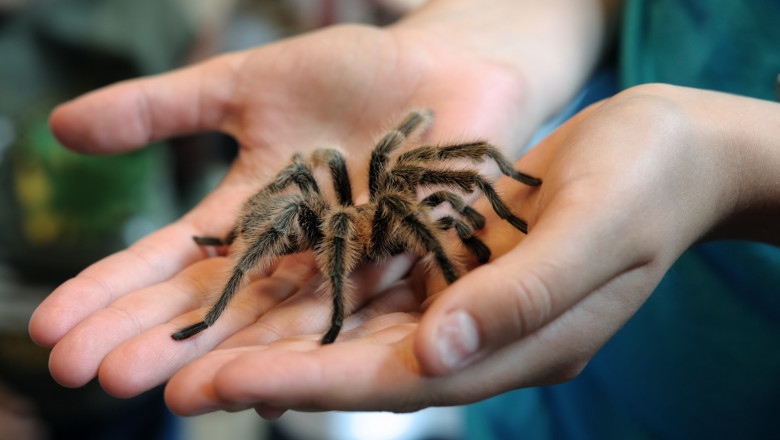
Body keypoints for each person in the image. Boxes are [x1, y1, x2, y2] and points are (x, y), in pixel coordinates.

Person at [28, 0, 780, 438]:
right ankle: (228, 266)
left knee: (414, 189)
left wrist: (727, 168)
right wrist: (496, 35)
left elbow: (441, 177)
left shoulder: (399, 195)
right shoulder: (338, 216)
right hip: (533, 403)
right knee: (304, 191)